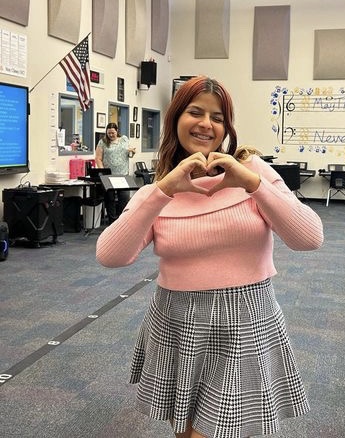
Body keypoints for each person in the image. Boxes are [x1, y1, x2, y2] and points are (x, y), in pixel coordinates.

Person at [96, 76, 324, 438]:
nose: (206, 123)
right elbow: (110, 255)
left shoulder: (253, 172)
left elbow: (309, 238)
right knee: (185, 431)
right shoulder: (160, 187)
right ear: (176, 120)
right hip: (177, 321)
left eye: (217, 117)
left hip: (244, 319)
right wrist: (163, 191)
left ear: (226, 128)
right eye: (195, 112)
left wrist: (252, 184)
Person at [95, 122, 136, 224]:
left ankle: (122, 221)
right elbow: (98, 158)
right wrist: (102, 171)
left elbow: (129, 152)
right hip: (109, 176)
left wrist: (132, 152)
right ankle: (112, 221)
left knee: (124, 198)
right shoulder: (102, 142)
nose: (111, 135)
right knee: (110, 199)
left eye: (113, 133)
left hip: (123, 174)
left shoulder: (124, 139)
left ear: (117, 131)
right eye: (109, 133)